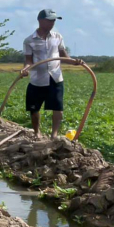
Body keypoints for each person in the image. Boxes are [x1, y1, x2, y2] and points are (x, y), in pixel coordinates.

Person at [21, 9, 83, 138]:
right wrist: (25, 69)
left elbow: (63, 55)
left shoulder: (57, 37)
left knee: (58, 108)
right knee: (34, 109)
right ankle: (37, 132)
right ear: (40, 20)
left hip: (55, 78)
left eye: (54, 20)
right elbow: (28, 61)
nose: (52, 23)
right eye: (49, 20)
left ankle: (54, 135)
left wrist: (74, 62)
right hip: (37, 80)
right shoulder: (29, 40)